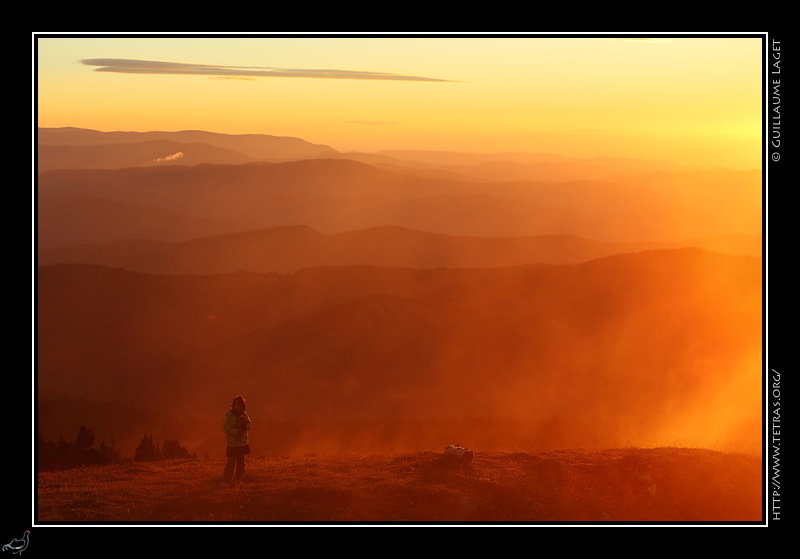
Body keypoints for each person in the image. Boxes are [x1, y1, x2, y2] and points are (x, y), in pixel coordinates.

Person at [221, 395, 252, 487]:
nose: (239, 407)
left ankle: (238, 480)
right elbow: (226, 428)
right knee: (230, 463)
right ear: (233, 405)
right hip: (233, 444)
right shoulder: (229, 416)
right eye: (237, 405)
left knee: (241, 464)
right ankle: (225, 480)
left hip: (242, 444)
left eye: (241, 405)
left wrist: (245, 426)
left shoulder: (244, 415)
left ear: (243, 406)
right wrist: (236, 431)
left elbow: (250, 425)